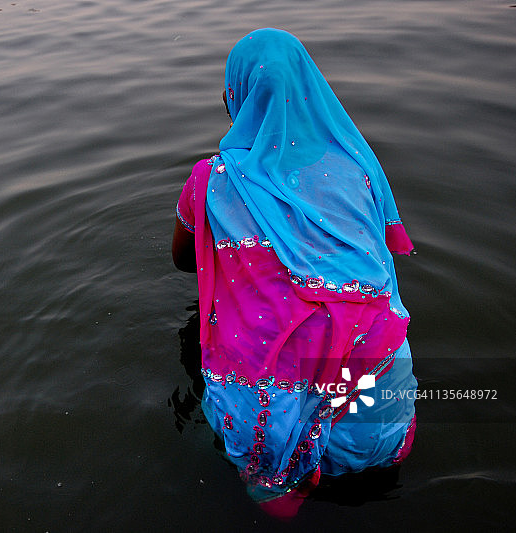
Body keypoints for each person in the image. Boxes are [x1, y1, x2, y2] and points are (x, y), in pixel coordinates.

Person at [172, 28, 417, 513]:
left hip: (270, 427)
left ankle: (277, 483)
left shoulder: (212, 180)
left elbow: (183, 260)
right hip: (378, 421)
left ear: (234, 97)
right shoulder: (358, 169)